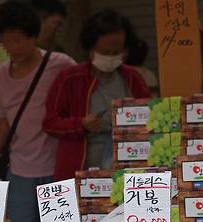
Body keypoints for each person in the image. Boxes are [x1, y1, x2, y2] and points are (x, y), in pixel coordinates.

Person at [0, 1, 75, 222]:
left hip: (56, 169)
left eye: (18, 39)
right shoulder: (2, 73)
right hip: (20, 170)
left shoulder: (60, 64)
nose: (12, 47)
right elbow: (1, 123)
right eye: (5, 41)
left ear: (33, 36)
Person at [43, 9, 150, 180]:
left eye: (117, 53)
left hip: (127, 168)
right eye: (105, 52)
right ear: (91, 49)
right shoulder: (70, 78)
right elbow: (50, 123)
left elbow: (151, 117)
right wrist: (81, 124)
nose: (110, 57)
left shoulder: (132, 78)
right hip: (80, 170)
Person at [0, 0, 67, 125]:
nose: (59, 31)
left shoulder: (53, 55)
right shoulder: (10, 53)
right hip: (2, 129)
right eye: (57, 24)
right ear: (39, 20)